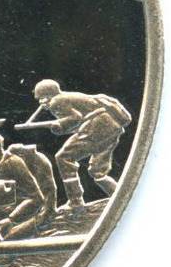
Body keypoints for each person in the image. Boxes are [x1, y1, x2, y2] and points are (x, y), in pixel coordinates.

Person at [28, 79, 132, 211]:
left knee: (64, 157)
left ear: (47, 95)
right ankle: (120, 196)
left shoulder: (57, 101)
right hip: (111, 127)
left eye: (41, 98)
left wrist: (58, 126)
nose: (40, 102)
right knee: (98, 172)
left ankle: (75, 201)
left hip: (95, 128)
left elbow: (74, 118)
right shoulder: (70, 97)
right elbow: (79, 118)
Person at [0, 132, 56, 238]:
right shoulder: (3, 166)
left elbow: (36, 199)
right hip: (21, 214)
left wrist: (11, 220)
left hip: (34, 216)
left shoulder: (12, 163)